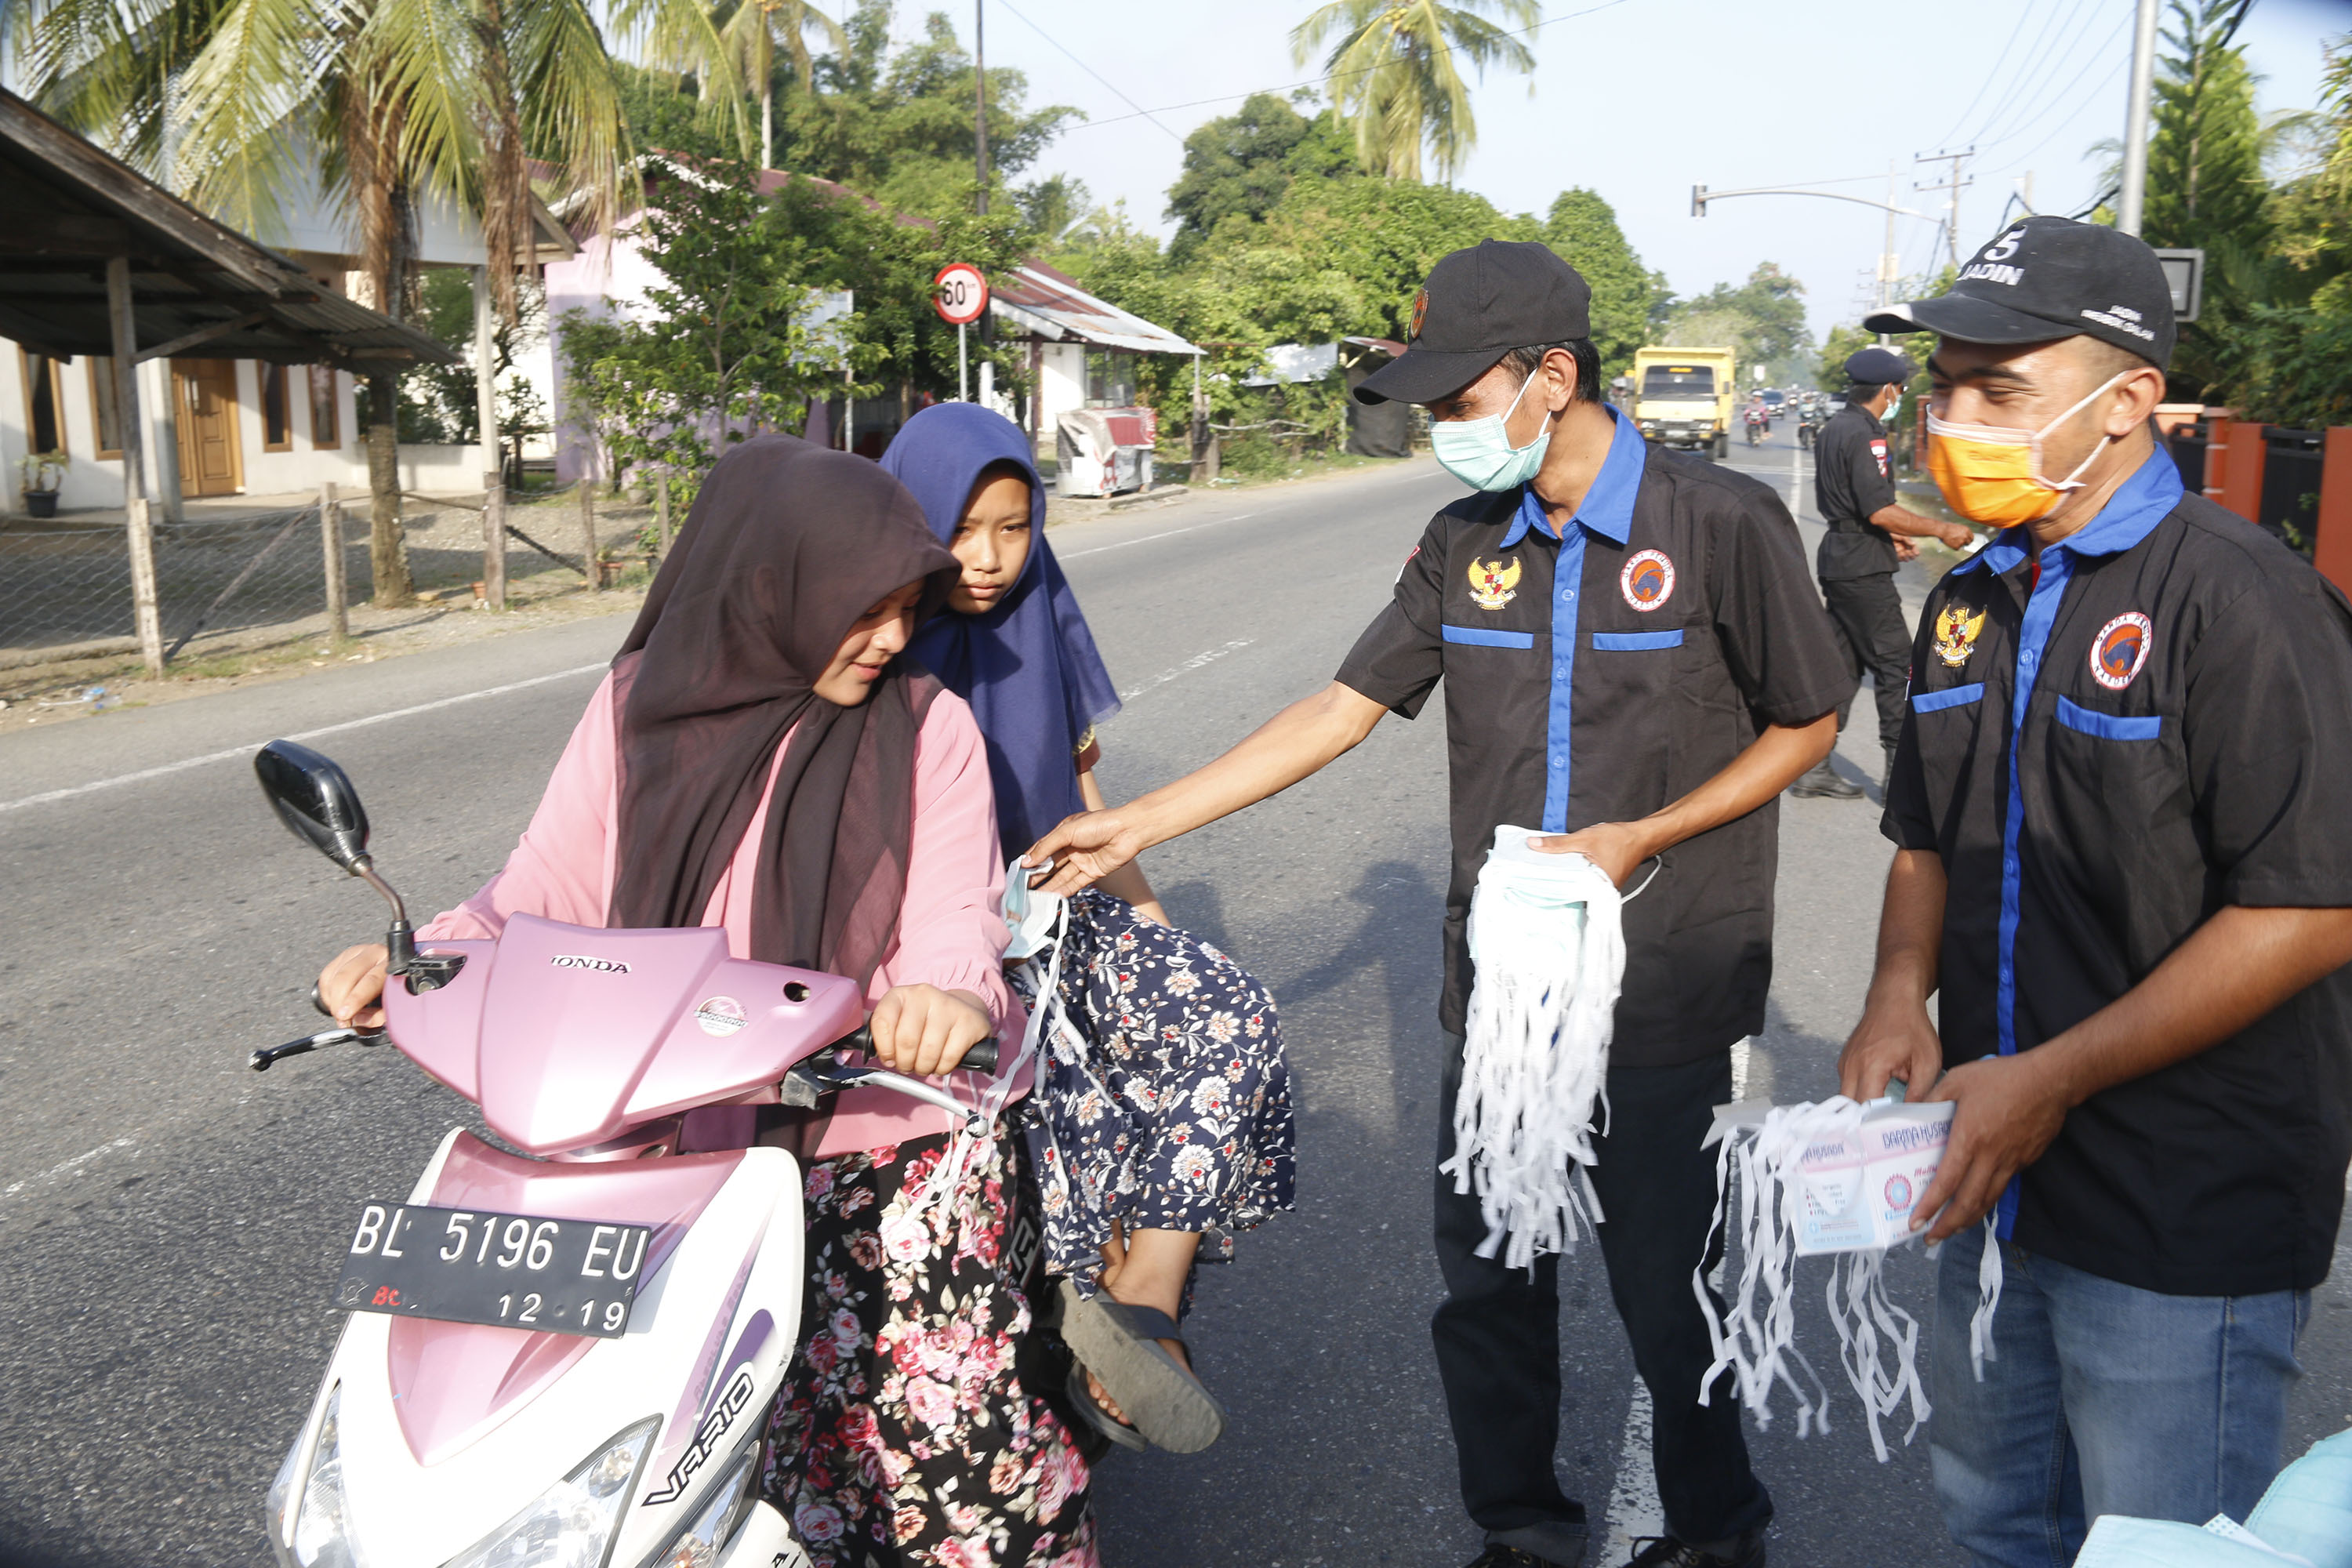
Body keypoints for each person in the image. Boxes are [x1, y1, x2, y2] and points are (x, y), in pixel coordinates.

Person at [1025, 239, 1856, 1568]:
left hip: (1663, 980)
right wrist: (1139, 821)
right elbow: (1340, 707)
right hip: (1504, 992)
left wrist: (1646, 833)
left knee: (1666, 1289)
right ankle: (1520, 1527)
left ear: (1552, 378)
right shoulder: (1465, 539)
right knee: (1490, 1280)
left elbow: (1809, 719)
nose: (1443, 430)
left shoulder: (1719, 524)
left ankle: (1718, 1530)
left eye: (1462, 400)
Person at [316, 435, 1098, 1566]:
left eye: (903, 611)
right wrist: (418, 958)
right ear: (772, 586)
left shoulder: (926, 724)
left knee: (951, 1455)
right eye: (865, 610)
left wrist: (943, 995)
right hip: (660, 1122)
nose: (892, 638)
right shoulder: (634, 706)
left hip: (875, 1119)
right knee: (615, 1446)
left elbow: (953, 911)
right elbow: (541, 889)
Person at [1838, 216, 2352, 1567]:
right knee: (1996, 1522)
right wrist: (1898, 993)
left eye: (2000, 393)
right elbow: (1925, 834)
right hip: (1992, 1170)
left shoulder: (2242, 600)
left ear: (2128, 403)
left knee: (2155, 1545)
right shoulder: (1968, 597)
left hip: (2179, 1204)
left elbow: (2311, 908)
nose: (1954, 422)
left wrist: (2053, 1077)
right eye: (1947, 387)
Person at [877, 401, 1295, 1455]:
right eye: (961, 529)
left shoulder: (1039, 616)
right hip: (924, 947)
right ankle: (1067, 1340)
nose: (987, 558)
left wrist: (1159, 929)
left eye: (1014, 528)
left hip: (1053, 915)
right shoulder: (869, 633)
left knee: (1229, 1014)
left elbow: (1087, 800)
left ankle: (1147, 1296)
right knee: (1058, 1104)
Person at [1788, 347, 1976, 800]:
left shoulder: (1835, 427)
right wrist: (1941, 529)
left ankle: (1813, 766)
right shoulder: (1867, 435)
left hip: (1843, 555)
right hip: (1861, 567)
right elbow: (1878, 509)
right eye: (1902, 389)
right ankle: (1900, 778)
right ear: (1889, 389)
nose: (1901, 396)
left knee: (1843, 667)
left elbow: (1852, 506)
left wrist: (1892, 537)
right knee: (1897, 665)